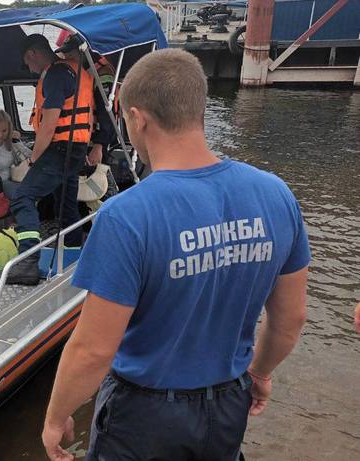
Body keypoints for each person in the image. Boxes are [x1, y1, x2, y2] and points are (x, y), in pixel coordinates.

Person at [41, 49, 310, 461]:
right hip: (227, 403)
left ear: (138, 118)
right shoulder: (275, 194)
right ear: (198, 109)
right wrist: (260, 371)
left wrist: (56, 417)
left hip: (144, 413)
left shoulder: (127, 215)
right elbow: (290, 319)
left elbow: (93, 349)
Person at [0, 34, 112, 286]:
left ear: (33, 54)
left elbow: (49, 124)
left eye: (28, 63)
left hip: (59, 149)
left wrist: (34, 160)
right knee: (64, 202)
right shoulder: (74, 72)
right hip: (76, 149)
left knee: (23, 198)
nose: (29, 68)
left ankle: (27, 262)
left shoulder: (56, 75)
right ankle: (71, 251)